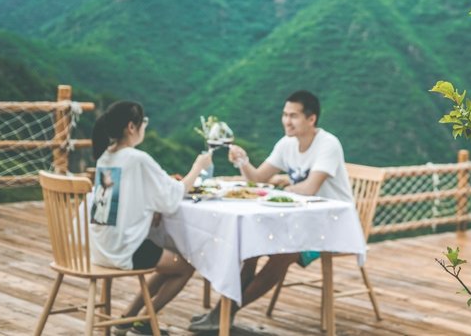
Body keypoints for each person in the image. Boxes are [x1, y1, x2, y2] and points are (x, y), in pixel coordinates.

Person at [187, 90, 352, 333]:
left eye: (293, 116)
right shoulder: (287, 144)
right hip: (297, 220)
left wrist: (278, 190)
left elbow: (309, 188)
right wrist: (243, 162)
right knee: (251, 249)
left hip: (330, 226)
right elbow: (257, 178)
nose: (287, 121)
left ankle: (222, 315)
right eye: (285, 115)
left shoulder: (328, 144)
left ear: (311, 119)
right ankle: (221, 316)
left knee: (283, 254)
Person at [89, 100, 213, 336]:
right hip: (124, 251)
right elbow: (173, 196)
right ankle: (141, 320)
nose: (144, 127)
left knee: (166, 260)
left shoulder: (105, 156)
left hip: (99, 248)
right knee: (186, 265)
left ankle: (129, 318)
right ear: (131, 127)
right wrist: (198, 166)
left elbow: (132, 196)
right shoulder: (137, 159)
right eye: (143, 122)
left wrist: (154, 207)